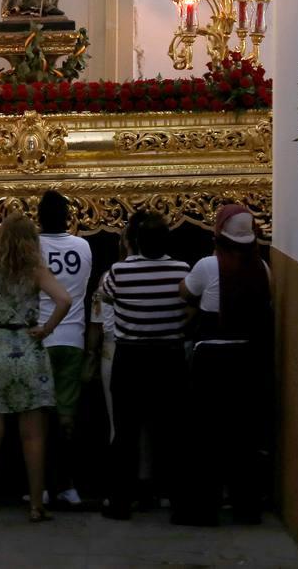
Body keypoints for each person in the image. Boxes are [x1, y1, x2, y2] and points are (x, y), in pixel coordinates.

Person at [0, 214, 72, 522]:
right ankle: (36, 506)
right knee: (33, 437)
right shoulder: (36, 271)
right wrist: (46, 329)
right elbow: (64, 299)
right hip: (27, 351)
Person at [175, 204, 276, 525]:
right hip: (247, 359)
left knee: (205, 437)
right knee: (243, 436)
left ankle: (202, 509)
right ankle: (246, 506)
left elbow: (185, 291)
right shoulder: (263, 268)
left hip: (212, 359)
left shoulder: (208, 265)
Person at [98, 210, 191, 520]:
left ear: (135, 241)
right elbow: (189, 304)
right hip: (169, 356)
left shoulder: (119, 272)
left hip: (131, 356)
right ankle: (179, 502)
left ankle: (120, 502)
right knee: (173, 432)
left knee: (125, 433)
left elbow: (107, 299)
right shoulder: (181, 270)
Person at [34, 189, 94, 509]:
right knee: (67, 419)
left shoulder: (34, 248)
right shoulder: (83, 246)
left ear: (39, 218)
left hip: (41, 336)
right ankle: (67, 484)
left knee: (40, 417)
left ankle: (41, 484)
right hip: (72, 337)